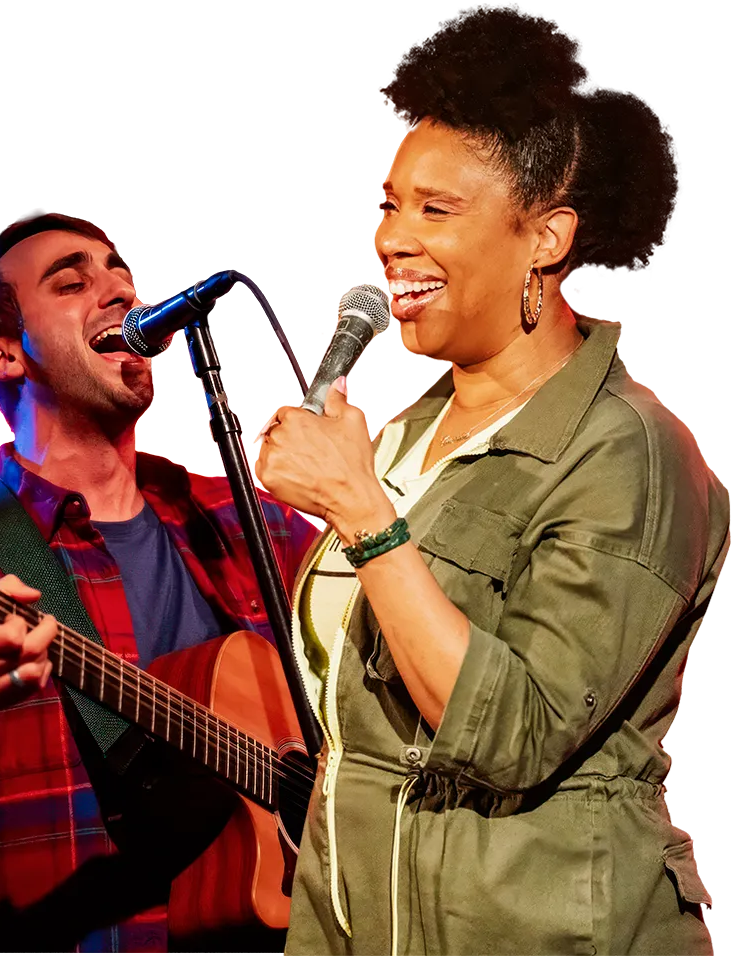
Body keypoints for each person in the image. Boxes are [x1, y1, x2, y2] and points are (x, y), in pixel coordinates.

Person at [254, 3, 729, 955]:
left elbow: (514, 733)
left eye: (436, 210)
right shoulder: (407, 433)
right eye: (390, 204)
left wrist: (359, 510)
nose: (393, 238)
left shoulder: (629, 452)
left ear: (545, 239)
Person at [0, 208, 319, 955]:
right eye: (70, 283)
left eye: (120, 273)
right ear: (3, 357)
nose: (121, 290)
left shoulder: (257, 529)